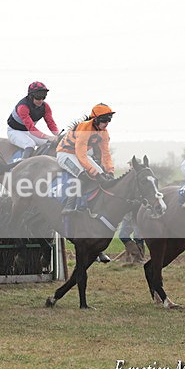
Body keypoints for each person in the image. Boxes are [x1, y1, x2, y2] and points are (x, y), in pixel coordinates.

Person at [56, 103, 116, 263]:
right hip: (66, 154)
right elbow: (80, 155)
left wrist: (109, 171)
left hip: (80, 154)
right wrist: (94, 172)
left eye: (109, 120)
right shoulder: (84, 128)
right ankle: (70, 205)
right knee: (83, 176)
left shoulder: (103, 132)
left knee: (103, 176)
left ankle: (97, 249)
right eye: (104, 120)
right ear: (95, 119)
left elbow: (106, 154)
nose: (106, 123)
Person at [6, 81, 60, 159]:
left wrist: (57, 135)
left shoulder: (45, 107)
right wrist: (48, 136)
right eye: (38, 97)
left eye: (43, 97)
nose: (41, 100)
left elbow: (50, 122)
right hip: (15, 132)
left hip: (28, 132)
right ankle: (22, 165)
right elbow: (32, 129)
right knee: (30, 144)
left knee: (49, 143)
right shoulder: (23, 107)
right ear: (31, 96)